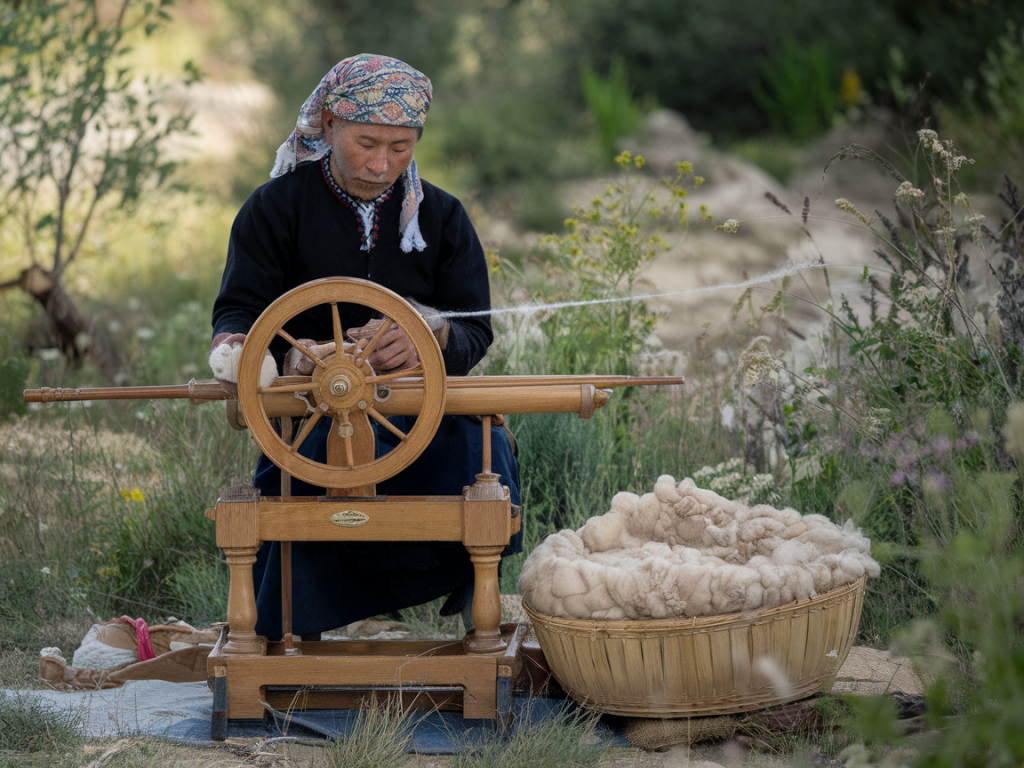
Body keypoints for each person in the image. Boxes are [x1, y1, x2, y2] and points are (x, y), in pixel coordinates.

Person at [208, 54, 521, 641]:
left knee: (484, 453)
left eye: (400, 148)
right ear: (329, 126)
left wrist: (432, 336)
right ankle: (299, 627)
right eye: (366, 143)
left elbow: (476, 330)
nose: (382, 164)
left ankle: (455, 610)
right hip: (312, 416)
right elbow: (237, 314)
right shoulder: (275, 209)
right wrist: (280, 355)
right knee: (306, 468)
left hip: (422, 421)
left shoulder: (444, 217)